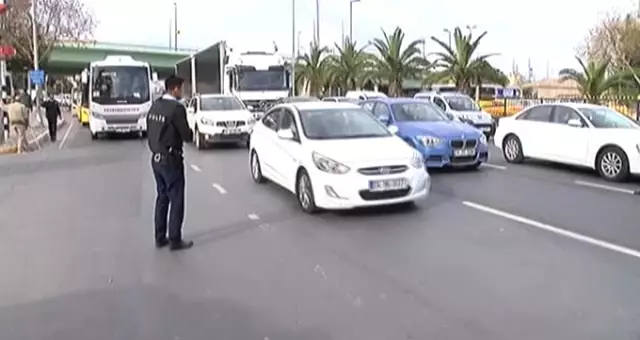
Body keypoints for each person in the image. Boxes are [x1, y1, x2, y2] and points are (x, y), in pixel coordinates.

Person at [146, 74, 194, 251]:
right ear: (174, 89)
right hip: (171, 160)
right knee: (176, 198)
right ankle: (175, 239)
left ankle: (160, 237)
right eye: (180, 88)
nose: (181, 92)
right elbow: (186, 135)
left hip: (156, 159)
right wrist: (189, 134)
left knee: (162, 197)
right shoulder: (176, 108)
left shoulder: (155, 106)